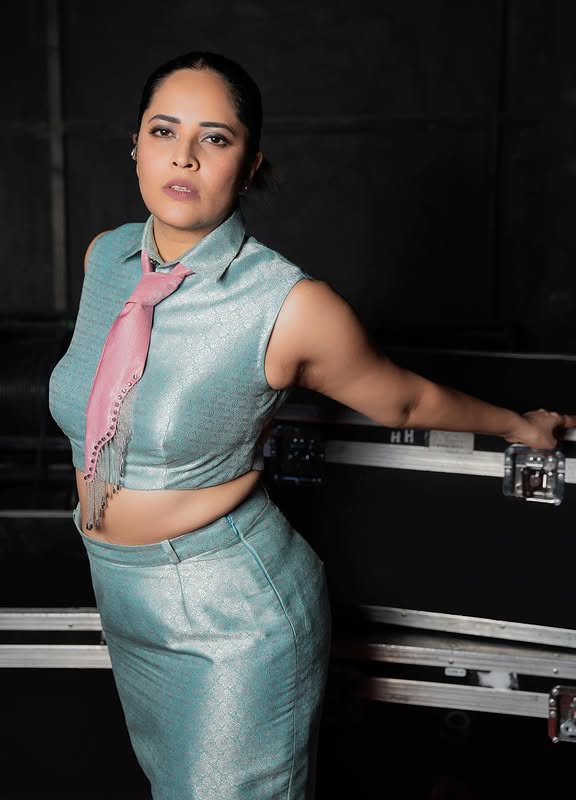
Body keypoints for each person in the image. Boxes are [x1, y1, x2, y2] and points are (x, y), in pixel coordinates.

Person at [49, 51, 575, 800]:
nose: (184, 155)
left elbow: (404, 401)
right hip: (122, 597)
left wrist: (518, 425)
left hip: (231, 616)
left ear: (250, 166)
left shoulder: (289, 303)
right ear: (135, 144)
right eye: (164, 130)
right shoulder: (105, 258)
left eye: (216, 138)